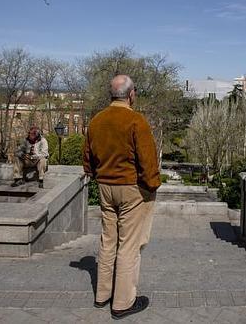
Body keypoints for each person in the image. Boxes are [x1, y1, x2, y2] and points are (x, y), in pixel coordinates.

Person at [82, 75, 161, 320]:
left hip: (105, 187)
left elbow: (87, 158)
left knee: (108, 241)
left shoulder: (96, 121)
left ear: (111, 95)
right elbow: (148, 161)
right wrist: (153, 186)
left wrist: (98, 176)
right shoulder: (136, 121)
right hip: (130, 188)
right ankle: (123, 303)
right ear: (131, 94)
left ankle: (102, 295)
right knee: (129, 246)